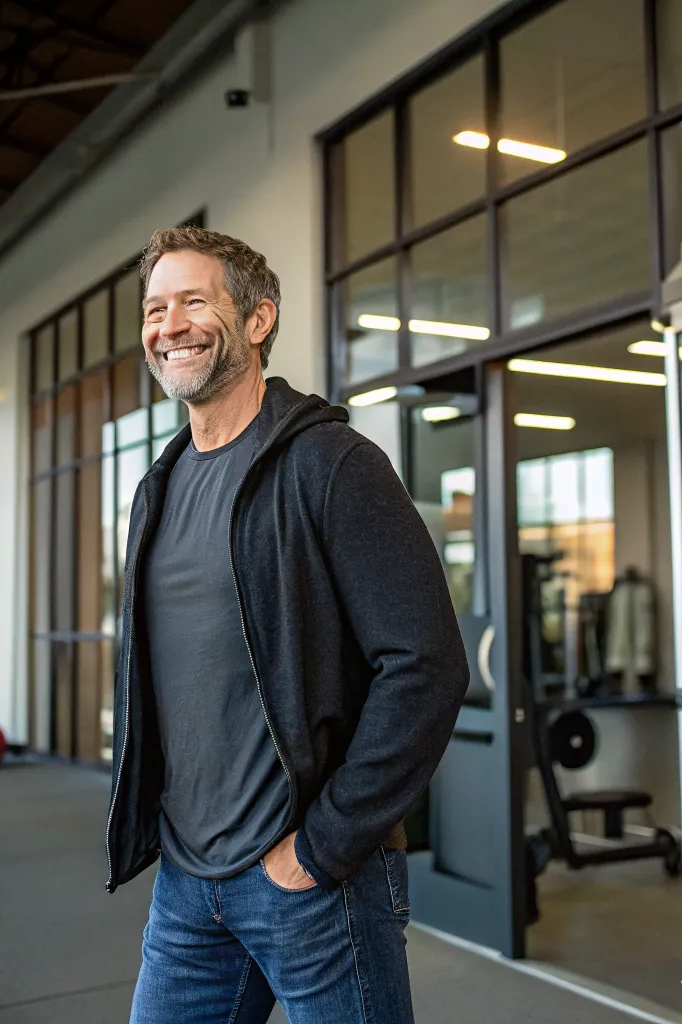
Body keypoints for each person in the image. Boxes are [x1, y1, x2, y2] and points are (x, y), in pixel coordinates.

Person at [105, 226, 468, 1024]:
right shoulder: (156, 491)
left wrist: (320, 847)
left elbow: (426, 663)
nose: (170, 326)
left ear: (258, 319)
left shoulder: (331, 464)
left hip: (310, 884)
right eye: (155, 308)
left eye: (194, 301)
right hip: (187, 886)